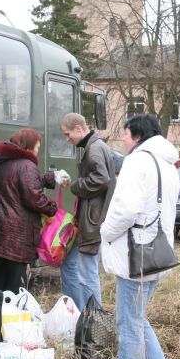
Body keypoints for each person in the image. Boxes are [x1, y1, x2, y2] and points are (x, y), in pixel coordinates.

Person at [100, 114, 179, 359]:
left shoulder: (137, 161)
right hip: (158, 254)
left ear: (137, 136)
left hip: (136, 257)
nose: (122, 139)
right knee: (137, 320)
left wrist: (104, 231)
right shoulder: (167, 165)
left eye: (125, 134)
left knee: (129, 324)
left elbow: (126, 210)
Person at [0, 128, 59, 293]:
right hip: (16, 236)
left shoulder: (4, 162)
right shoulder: (27, 166)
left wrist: (47, 178)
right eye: (37, 147)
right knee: (17, 285)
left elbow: (18, 184)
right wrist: (52, 208)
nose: (38, 152)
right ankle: (14, 316)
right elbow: (34, 198)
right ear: (29, 147)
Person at [59, 113, 116, 310]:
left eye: (67, 134)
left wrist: (77, 185)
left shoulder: (94, 149)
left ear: (78, 128)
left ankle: (94, 322)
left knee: (87, 275)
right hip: (93, 220)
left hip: (93, 222)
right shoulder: (95, 146)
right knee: (83, 271)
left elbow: (102, 179)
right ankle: (87, 317)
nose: (67, 139)